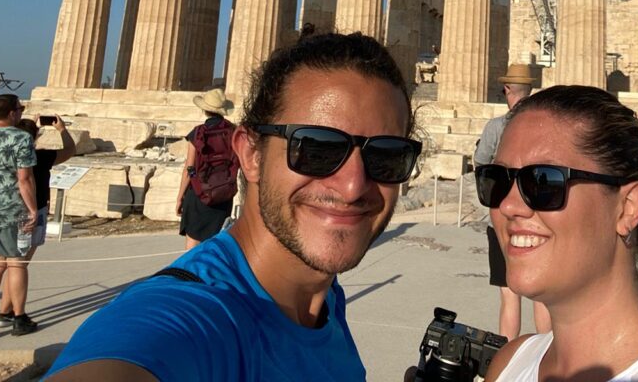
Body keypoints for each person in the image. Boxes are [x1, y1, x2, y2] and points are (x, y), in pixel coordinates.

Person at [46, 32, 422, 381]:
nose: (353, 185)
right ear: (250, 152)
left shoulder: (322, 296)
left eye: (387, 155)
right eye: (316, 148)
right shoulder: (189, 318)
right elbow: (134, 352)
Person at [476, 85, 638, 381]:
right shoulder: (510, 363)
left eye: (544, 182)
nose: (508, 205)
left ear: (628, 208)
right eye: (497, 180)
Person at [474, 63, 550, 340]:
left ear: (507, 89)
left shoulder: (496, 127)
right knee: (541, 294)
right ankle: (547, 355)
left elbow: (481, 163)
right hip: (541, 216)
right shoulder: (547, 128)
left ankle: (507, 358)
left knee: (509, 295)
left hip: (503, 215)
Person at [0, 115, 76, 332]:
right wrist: (61, 129)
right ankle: (10, 314)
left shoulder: (0, 154)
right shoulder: (39, 156)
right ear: (35, 137)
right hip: (30, 214)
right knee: (18, 264)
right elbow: (70, 150)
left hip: (2, 210)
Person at [0, 94, 38, 343]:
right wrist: (33, 209)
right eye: (20, 110)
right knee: (16, 263)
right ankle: (19, 318)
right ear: (12, 113)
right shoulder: (21, 137)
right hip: (12, 210)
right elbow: (24, 179)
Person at [176, 88, 236, 249]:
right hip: (223, 195)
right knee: (215, 242)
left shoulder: (197, 133)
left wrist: (180, 197)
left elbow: (189, 168)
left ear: (204, 109)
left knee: (192, 243)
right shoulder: (234, 132)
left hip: (198, 193)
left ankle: (190, 273)